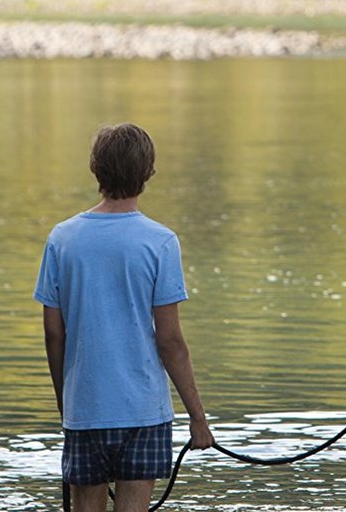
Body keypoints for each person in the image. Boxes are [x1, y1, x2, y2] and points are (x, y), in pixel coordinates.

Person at [34, 123, 215, 511]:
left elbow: (54, 334)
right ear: (147, 172)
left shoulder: (62, 239)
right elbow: (170, 341)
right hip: (143, 411)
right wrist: (198, 419)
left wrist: (68, 404)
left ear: (95, 170)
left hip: (85, 408)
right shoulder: (160, 241)